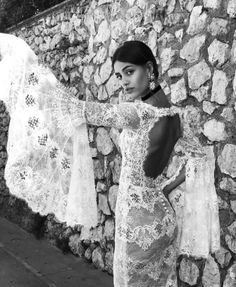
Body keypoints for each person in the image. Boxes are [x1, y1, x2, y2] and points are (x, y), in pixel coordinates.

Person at [0, 34, 220, 287]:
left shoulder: (136, 113)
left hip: (136, 225)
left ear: (149, 69)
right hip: (163, 220)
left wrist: (32, 74)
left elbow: (76, 108)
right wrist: (166, 189)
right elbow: (201, 158)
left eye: (129, 72)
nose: (124, 83)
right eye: (118, 76)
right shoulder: (177, 117)